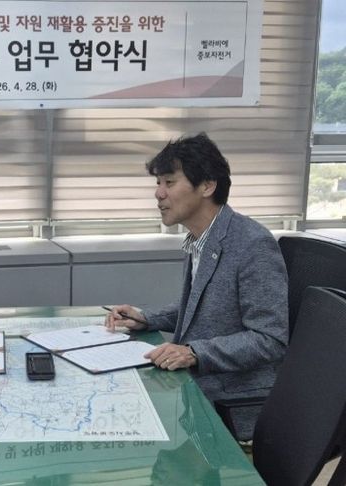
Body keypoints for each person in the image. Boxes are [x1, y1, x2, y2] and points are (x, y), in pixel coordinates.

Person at [105, 133, 288, 440]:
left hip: (231, 404)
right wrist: (147, 318)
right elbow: (203, 308)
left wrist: (194, 353)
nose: (158, 193)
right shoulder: (201, 239)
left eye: (169, 182)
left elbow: (270, 339)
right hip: (197, 391)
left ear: (207, 186)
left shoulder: (252, 244)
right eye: (158, 183)